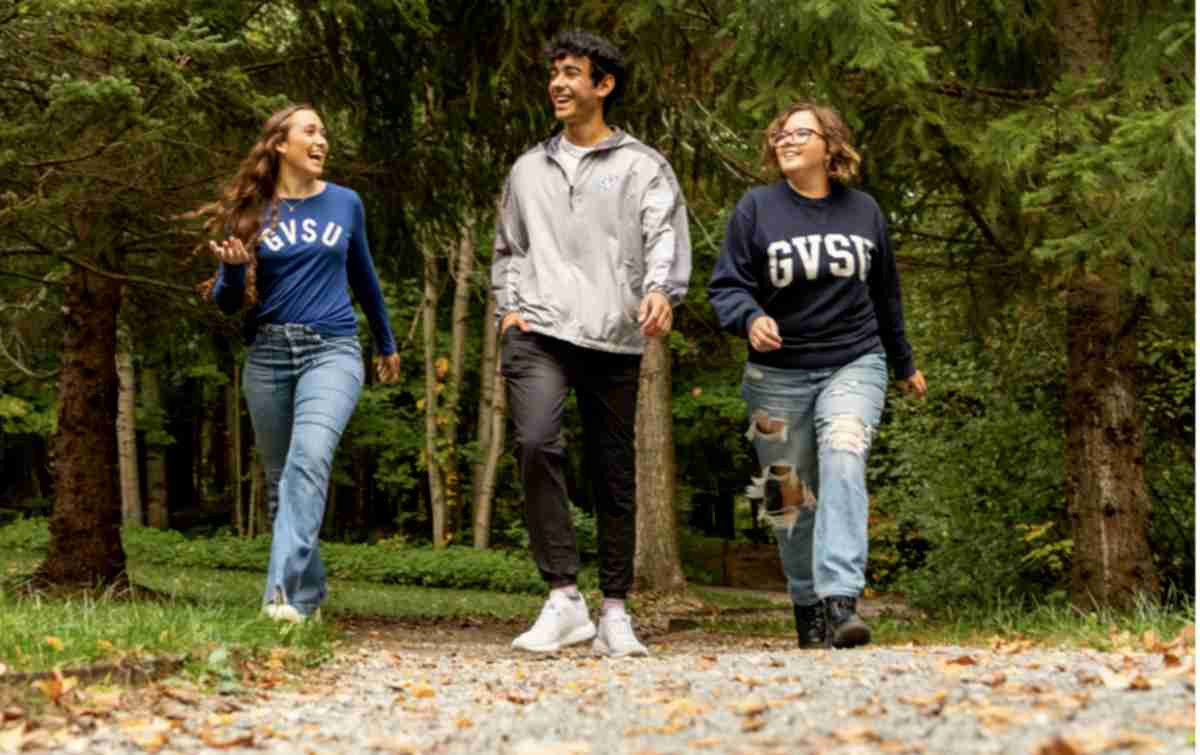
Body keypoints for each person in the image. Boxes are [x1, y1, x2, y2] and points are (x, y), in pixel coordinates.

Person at [492, 31, 691, 656]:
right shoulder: (527, 168)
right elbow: (509, 248)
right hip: (539, 330)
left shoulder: (642, 166)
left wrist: (661, 290)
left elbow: (663, 233)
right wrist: (510, 310)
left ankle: (614, 611)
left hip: (614, 335)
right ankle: (562, 597)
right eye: (554, 72)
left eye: (571, 73)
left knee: (613, 473)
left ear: (602, 85)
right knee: (533, 441)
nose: (558, 84)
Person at [708, 101, 926, 649]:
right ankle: (806, 604)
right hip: (774, 377)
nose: (786, 140)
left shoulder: (864, 212)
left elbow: (886, 295)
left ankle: (840, 599)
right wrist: (750, 317)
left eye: (800, 132)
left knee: (844, 454)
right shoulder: (755, 208)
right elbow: (727, 286)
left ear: (831, 146)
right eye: (780, 133)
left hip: (854, 360)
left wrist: (903, 363)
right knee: (788, 501)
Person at [200, 103, 401, 623]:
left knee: (308, 461)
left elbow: (365, 277)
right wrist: (230, 271)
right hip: (267, 355)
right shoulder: (249, 210)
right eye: (310, 131)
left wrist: (385, 341)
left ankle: (279, 599)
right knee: (280, 480)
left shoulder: (345, 204)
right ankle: (307, 600)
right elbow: (227, 302)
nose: (322, 140)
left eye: (324, 132)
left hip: (331, 350)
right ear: (280, 145)